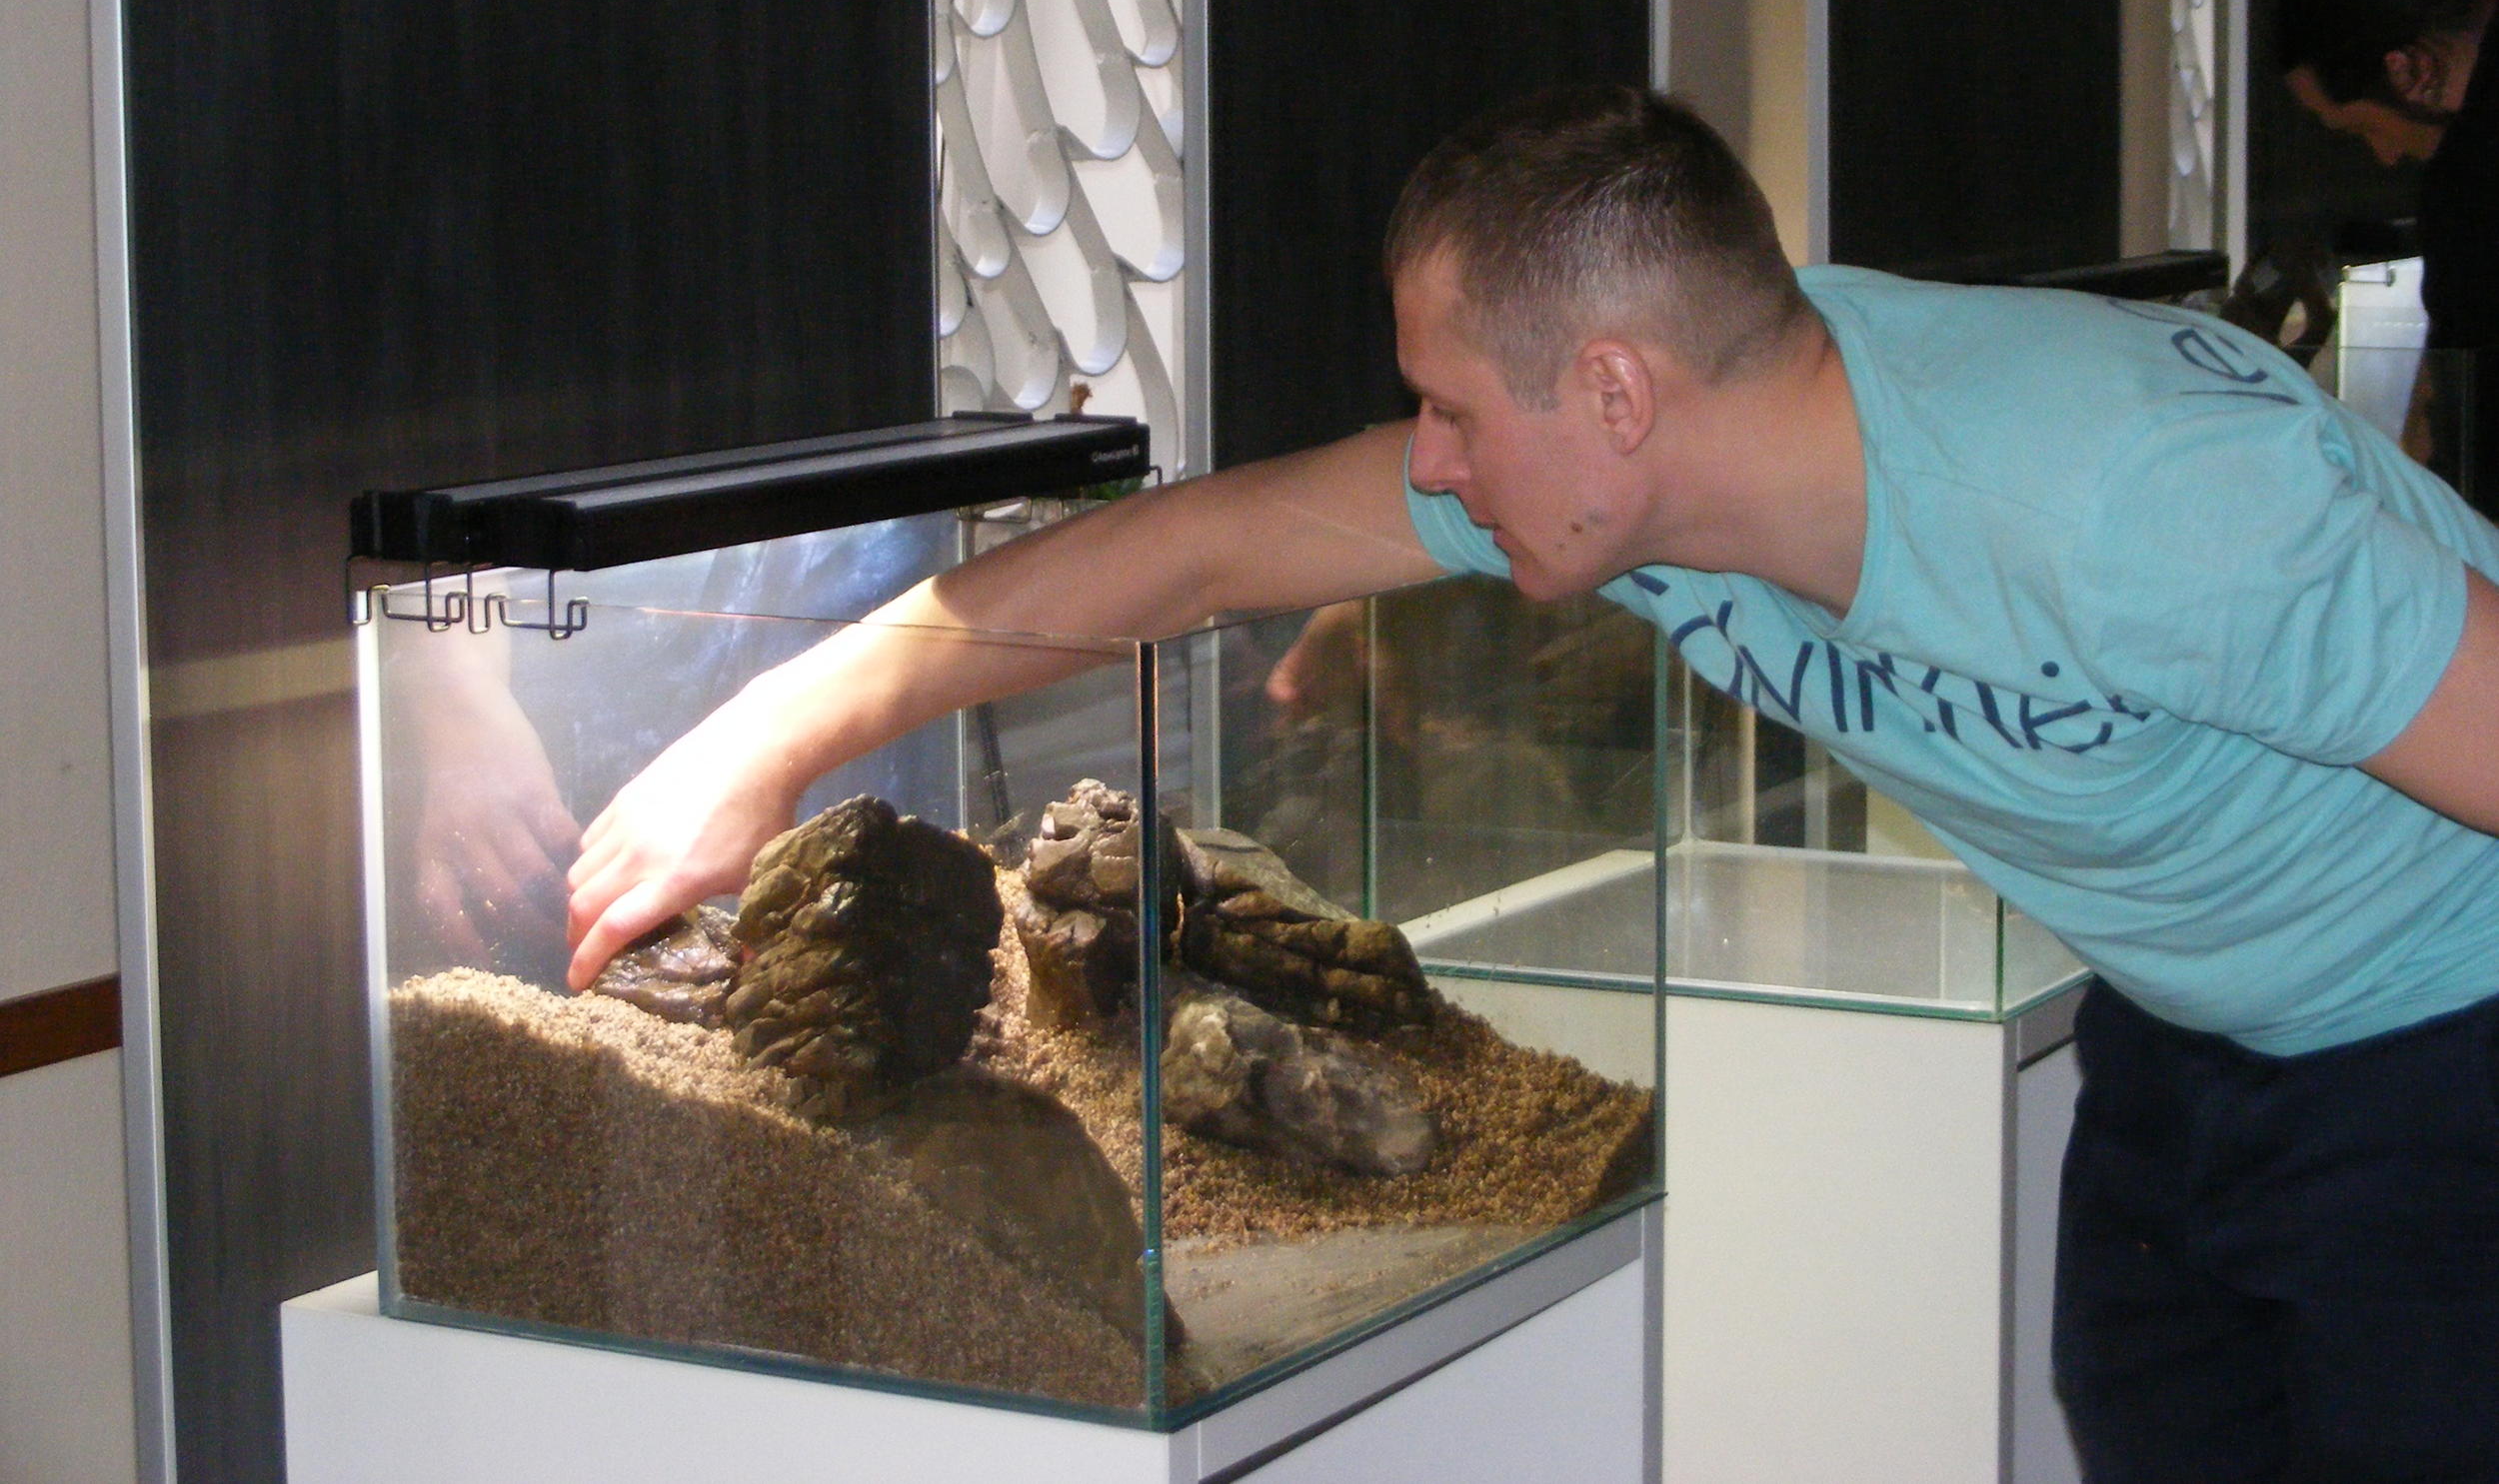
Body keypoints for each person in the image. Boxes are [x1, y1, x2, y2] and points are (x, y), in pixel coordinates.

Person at [565, 86, 2499, 1482]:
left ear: (1616, 392)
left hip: (2446, 1037)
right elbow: (1195, 554)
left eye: (1452, 407)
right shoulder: (1646, 477)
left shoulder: (2137, 503)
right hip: (2191, 1032)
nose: (1428, 458)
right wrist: (762, 738)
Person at [2277, 0, 2499, 516]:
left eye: (2363, 129)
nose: (2385, 156)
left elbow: (2469, 427)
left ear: (2408, 70)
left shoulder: (2473, 179)